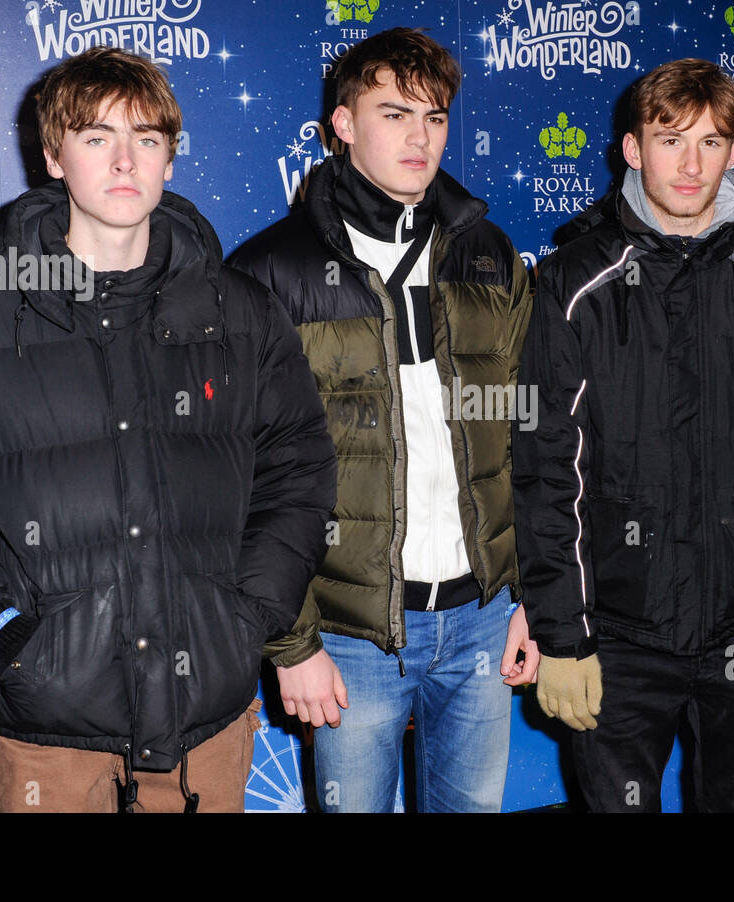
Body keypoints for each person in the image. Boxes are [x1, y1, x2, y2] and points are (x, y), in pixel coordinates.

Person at [0, 47, 337, 813]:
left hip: (206, 727)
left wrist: (249, 614)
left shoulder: (243, 315)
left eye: (146, 138)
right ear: (53, 156)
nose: (124, 160)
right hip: (45, 733)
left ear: (170, 157)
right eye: (95, 136)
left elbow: (298, 473)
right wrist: (0, 629)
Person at [512, 58, 734, 812]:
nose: (692, 165)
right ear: (632, 149)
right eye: (670, 140)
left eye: (713, 142)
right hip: (617, 638)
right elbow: (543, 463)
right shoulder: (573, 278)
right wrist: (562, 636)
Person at [229, 27, 536, 813]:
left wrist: (530, 594)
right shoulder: (271, 270)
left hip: (482, 617)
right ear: (342, 124)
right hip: (347, 633)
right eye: (394, 114)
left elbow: (527, 442)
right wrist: (292, 643)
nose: (419, 137)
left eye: (434, 117)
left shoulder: (488, 253)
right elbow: (242, 477)